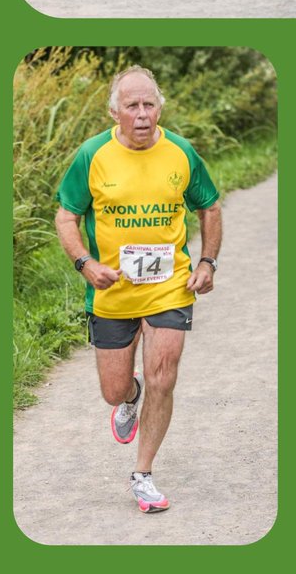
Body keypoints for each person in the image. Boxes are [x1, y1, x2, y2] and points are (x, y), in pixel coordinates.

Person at [54, 66, 222, 514]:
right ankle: (129, 398)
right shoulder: (92, 155)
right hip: (111, 292)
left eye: (150, 104)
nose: (143, 114)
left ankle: (143, 474)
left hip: (169, 288)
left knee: (162, 377)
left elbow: (209, 206)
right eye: (133, 106)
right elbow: (66, 216)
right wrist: (86, 264)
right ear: (115, 111)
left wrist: (207, 261)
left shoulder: (182, 153)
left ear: (160, 107)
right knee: (113, 389)